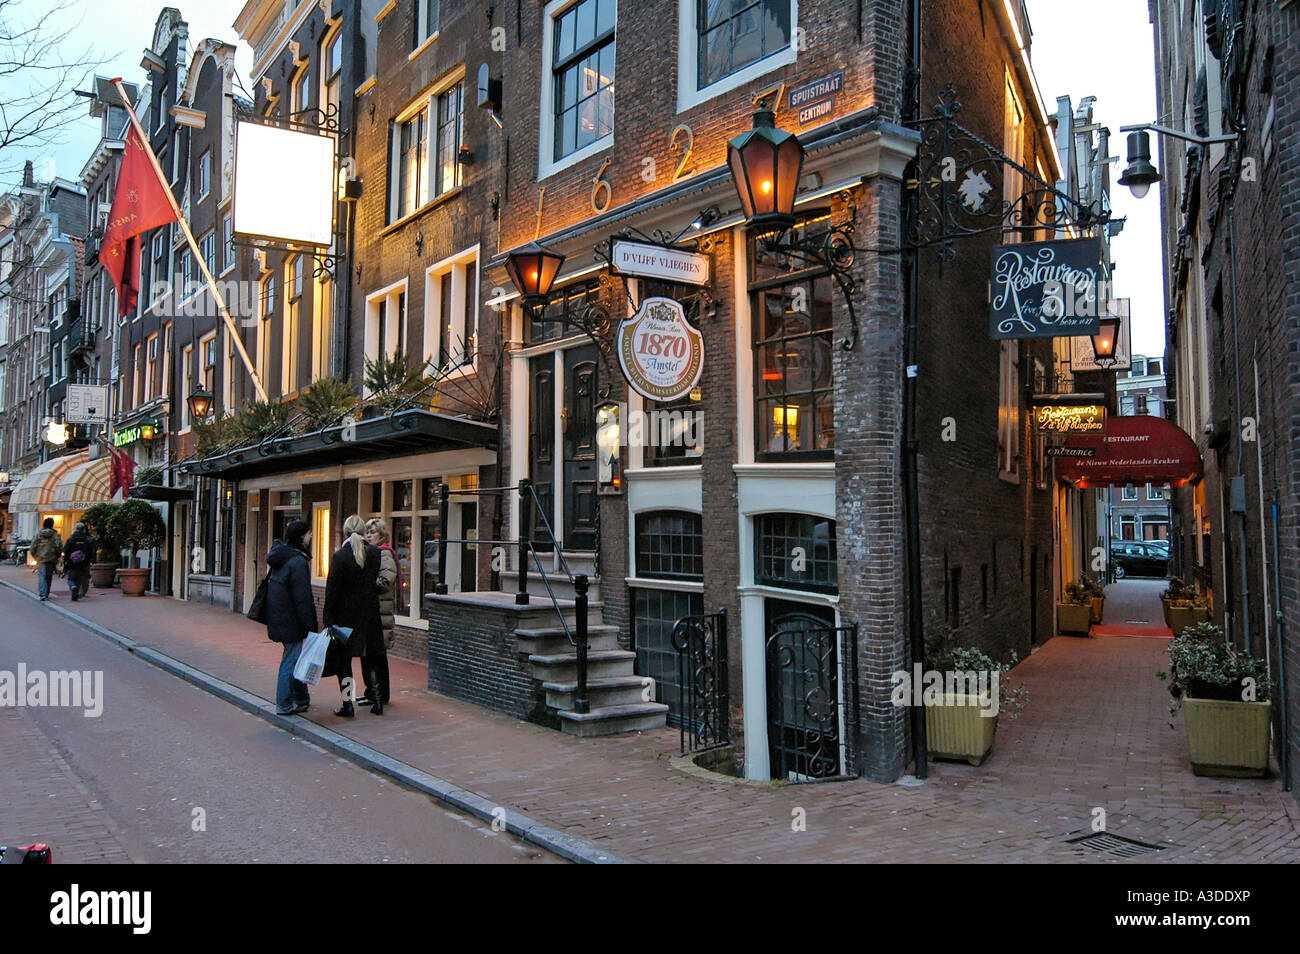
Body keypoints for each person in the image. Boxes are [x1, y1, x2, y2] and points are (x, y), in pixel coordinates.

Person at [321, 515, 383, 717]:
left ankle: (348, 705)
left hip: (345, 618)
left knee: (344, 663)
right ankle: (378, 701)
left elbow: (332, 591)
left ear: (346, 532)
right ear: (364, 532)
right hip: (369, 614)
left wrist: (328, 618)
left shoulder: (340, 557)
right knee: (370, 657)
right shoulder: (375, 553)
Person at [266, 520, 317, 716]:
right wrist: (311, 624)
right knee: (291, 660)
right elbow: (302, 597)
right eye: (309, 534)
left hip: (280, 616)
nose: (311, 537)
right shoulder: (297, 562)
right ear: (301, 537)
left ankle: (302, 698)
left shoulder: (282, 558)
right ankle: (284, 703)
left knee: (296, 658)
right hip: (291, 620)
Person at [363, 517, 397, 708]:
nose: (368, 536)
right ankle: (373, 692)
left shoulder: (385, 555)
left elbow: (385, 581)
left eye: (372, 532)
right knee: (374, 655)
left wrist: (366, 582)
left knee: (377, 656)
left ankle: (381, 694)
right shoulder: (374, 553)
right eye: (367, 532)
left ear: (382, 535)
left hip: (379, 613)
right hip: (375, 611)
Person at [62, 522, 97, 602]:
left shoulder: (71, 539)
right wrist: (91, 561)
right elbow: (91, 552)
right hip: (83, 563)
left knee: (71, 579)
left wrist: (66, 561)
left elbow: (65, 551)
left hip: (72, 563)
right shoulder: (88, 540)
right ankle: (77, 593)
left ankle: (73, 588)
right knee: (79, 579)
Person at [30, 518, 62, 601]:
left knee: (42, 576)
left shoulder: (38, 534)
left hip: (41, 558)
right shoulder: (55, 535)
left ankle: (42, 593)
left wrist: (35, 556)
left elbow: (33, 546)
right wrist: (57, 556)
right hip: (52, 558)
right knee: (49, 576)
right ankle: (47, 592)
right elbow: (59, 546)